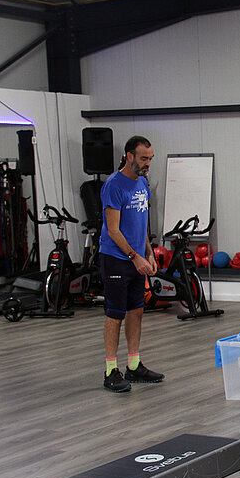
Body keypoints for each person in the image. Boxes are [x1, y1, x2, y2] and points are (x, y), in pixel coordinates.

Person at [100, 135, 164, 392]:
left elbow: (141, 224)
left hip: (137, 258)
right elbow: (114, 230)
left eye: (150, 159)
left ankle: (134, 365)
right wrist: (134, 257)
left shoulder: (143, 183)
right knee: (115, 314)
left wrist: (148, 252)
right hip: (117, 259)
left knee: (136, 310)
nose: (147, 163)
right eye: (143, 158)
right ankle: (110, 370)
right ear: (129, 156)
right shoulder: (114, 186)